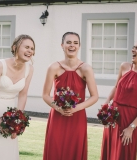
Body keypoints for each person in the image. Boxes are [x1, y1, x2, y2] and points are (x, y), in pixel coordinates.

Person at [42, 32, 99, 160]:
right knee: (55, 149)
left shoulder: (86, 68)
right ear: (62, 45)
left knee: (74, 149)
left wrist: (76, 108)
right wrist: (58, 108)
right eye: (68, 42)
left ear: (79, 46)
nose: (72, 45)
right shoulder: (53, 67)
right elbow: (45, 95)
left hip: (77, 117)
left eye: (75, 43)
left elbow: (94, 96)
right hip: (57, 116)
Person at [100, 39, 137, 160]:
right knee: (109, 150)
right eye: (133, 47)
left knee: (123, 153)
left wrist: (131, 128)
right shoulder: (124, 66)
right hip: (113, 115)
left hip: (129, 119)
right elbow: (116, 87)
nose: (133, 50)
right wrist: (106, 103)